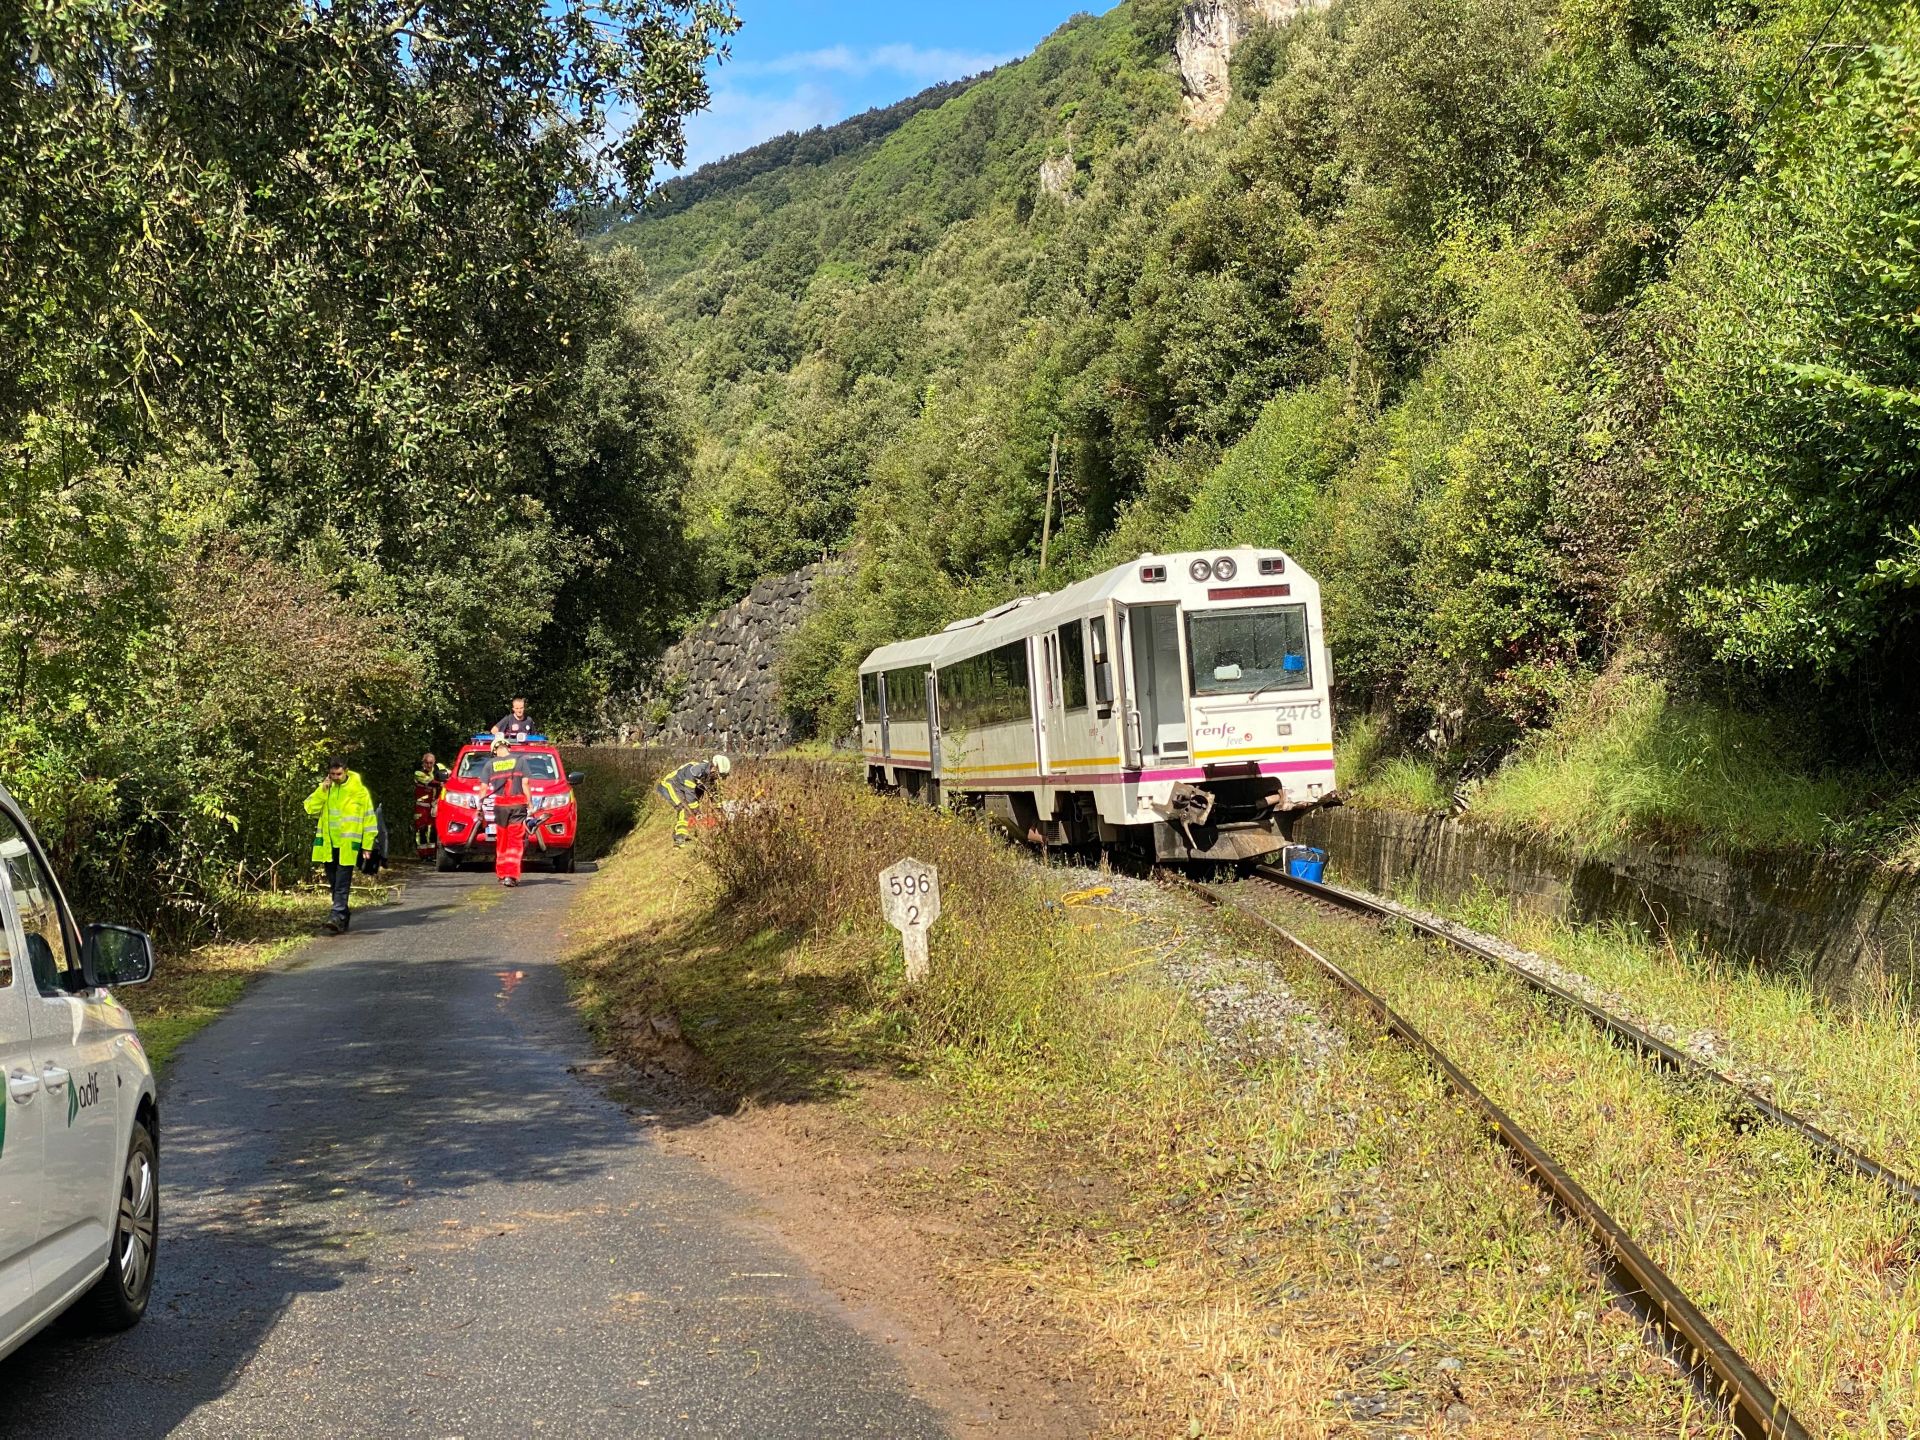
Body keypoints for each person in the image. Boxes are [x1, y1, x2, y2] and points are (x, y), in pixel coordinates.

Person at [305, 758, 376, 934]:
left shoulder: (359, 791)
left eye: (338, 774)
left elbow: (369, 818)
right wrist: (322, 790)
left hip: (348, 845)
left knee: (342, 884)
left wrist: (368, 845)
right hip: (328, 845)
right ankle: (342, 917)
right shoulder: (326, 789)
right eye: (332, 774)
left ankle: (336, 915)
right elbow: (309, 808)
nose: (335, 777)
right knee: (334, 883)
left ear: (346, 771)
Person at [483, 737, 530, 886]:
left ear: (494, 750)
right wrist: (530, 802)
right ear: (508, 747)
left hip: (500, 806)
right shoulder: (520, 761)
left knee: (502, 839)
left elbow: (483, 788)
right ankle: (511, 875)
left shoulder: (490, 764)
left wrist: (479, 807)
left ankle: (502, 873)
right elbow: (525, 783)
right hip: (517, 804)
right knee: (515, 841)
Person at [656, 754, 731, 846]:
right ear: (714, 768)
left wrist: (720, 811)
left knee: (689, 811)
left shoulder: (709, 777)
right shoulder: (695, 772)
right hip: (670, 785)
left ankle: (681, 834)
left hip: (683, 788)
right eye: (719, 774)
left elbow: (714, 795)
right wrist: (697, 812)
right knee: (684, 809)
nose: (719, 778)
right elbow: (690, 795)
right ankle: (679, 839)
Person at [413, 752, 450, 859]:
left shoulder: (439, 768)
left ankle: (432, 854)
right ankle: (423, 854)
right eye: (427, 763)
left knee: (433, 829)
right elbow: (429, 781)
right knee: (421, 829)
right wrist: (441, 783)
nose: (429, 765)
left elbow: (449, 773)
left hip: (434, 805)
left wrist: (445, 776)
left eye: (431, 763)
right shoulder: (418, 773)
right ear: (423, 762)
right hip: (422, 806)